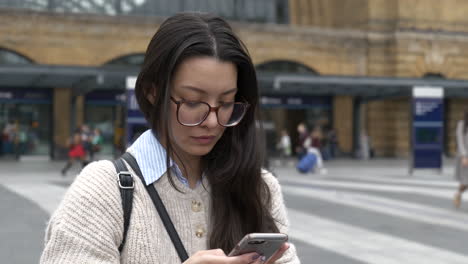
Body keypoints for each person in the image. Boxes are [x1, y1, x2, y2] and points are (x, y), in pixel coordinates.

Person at [41, 13, 299, 264]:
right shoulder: (103, 190)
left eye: (226, 102)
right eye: (192, 101)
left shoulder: (259, 187)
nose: (212, 121)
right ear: (153, 92)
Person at [454, 110, 468, 209]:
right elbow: (460, 141)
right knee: (465, 182)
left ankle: (458, 193)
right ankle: (458, 193)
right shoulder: (461, 124)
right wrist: (464, 156)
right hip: (465, 156)